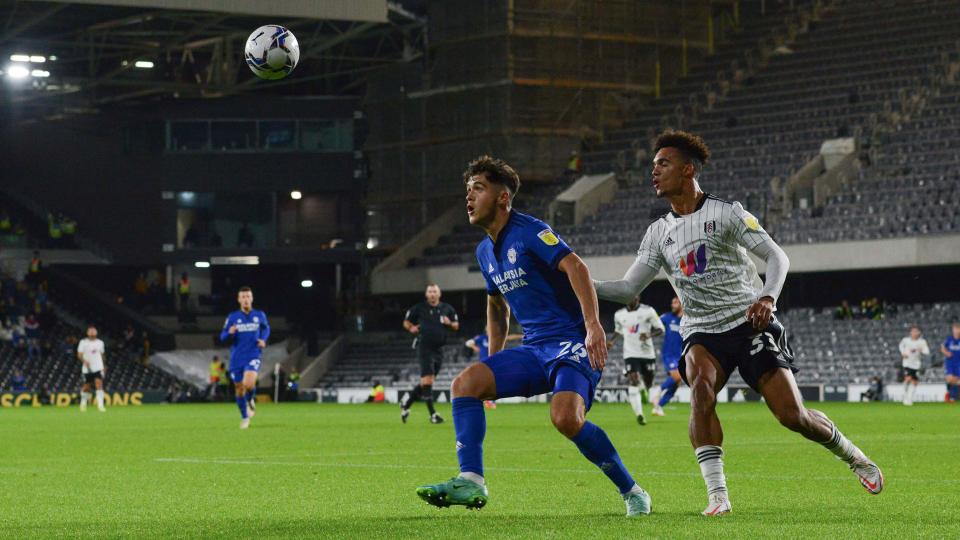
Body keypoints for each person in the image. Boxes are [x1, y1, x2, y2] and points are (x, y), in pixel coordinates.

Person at [593, 130, 882, 516]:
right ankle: (718, 496)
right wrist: (579, 281)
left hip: (748, 323)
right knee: (700, 389)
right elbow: (628, 286)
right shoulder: (657, 232)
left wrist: (767, 297)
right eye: (653, 165)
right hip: (701, 330)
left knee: (792, 417)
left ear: (688, 169)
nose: (654, 172)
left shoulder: (728, 213)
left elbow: (778, 257)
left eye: (663, 164)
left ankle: (853, 455)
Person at [416, 156, 651, 517]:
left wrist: (592, 326)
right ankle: (471, 480)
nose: (469, 197)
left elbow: (576, 266)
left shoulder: (530, 231)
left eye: (478, 188)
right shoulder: (484, 252)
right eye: (467, 190)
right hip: (535, 348)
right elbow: (497, 307)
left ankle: (632, 491)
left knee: (566, 420)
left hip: (572, 344)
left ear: (502, 198)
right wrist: (492, 360)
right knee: (465, 384)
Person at [401, 284, 459, 424]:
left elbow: (457, 326)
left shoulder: (447, 309)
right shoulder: (419, 308)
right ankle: (433, 415)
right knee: (427, 380)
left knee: (427, 382)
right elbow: (406, 322)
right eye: (430, 291)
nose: (432, 294)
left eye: (434, 291)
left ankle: (406, 405)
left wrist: (449, 323)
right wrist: (412, 328)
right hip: (424, 347)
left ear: (439, 294)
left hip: (439, 349)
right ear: (426, 294)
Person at [219, 286, 270, 429]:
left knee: (248, 384)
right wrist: (229, 333)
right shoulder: (233, 317)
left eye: (248, 296)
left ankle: (250, 399)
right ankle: (245, 417)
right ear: (239, 299)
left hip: (253, 354)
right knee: (239, 388)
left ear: (252, 298)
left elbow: (266, 328)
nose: (246, 299)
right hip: (236, 358)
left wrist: (263, 339)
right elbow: (222, 337)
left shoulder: (259, 315)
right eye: (243, 297)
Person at [608, 295, 663, 425]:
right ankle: (640, 414)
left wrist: (649, 335)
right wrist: (611, 341)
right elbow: (618, 330)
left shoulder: (648, 311)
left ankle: (644, 388)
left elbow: (661, 329)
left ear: (638, 297)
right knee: (633, 380)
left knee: (648, 382)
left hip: (647, 354)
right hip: (630, 354)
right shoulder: (619, 314)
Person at [465, 331, 522, 409]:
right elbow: (468, 343)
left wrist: (520, 336)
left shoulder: (497, 336)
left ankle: (489, 401)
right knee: (486, 382)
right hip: (484, 363)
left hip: (495, 363)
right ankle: (485, 400)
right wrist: (475, 348)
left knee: (494, 382)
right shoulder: (481, 338)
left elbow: (509, 337)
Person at [652, 297, 683, 416]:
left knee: (676, 384)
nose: (673, 305)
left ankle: (658, 406)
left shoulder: (686, 320)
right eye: (672, 302)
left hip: (679, 355)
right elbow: (655, 321)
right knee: (677, 377)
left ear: (682, 304)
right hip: (669, 354)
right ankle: (658, 392)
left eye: (675, 303)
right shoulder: (667, 317)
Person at [77, 325, 106, 412]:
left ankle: (100, 405)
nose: (92, 332)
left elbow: (102, 355)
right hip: (87, 368)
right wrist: (84, 361)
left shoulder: (100, 343)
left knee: (99, 384)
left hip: (98, 367)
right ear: (87, 333)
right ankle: (83, 403)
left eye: (94, 330)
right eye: (90, 331)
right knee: (87, 386)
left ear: (96, 332)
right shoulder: (83, 342)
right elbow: (79, 354)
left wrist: (104, 366)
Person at [899, 325, 929, 406]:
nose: (914, 333)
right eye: (912, 331)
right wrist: (903, 353)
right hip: (907, 363)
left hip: (916, 364)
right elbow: (901, 346)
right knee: (908, 378)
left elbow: (927, 351)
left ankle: (909, 398)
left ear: (919, 333)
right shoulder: (905, 340)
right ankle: (905, 397)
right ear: (910, 332)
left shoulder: (922, 342)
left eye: (916, 331)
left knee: (915, 382)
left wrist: (921, 349)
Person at [941, 323, 960, 402]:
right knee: (949, 379)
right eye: (955, 329)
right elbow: (942, 348)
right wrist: (946, 352)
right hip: (950, 363)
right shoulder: (949, 339)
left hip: (959, 363)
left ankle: (953, 396)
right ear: (953, 330)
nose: (956, 331)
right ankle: (951, 395)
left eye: (958, 329)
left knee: (955, 380)